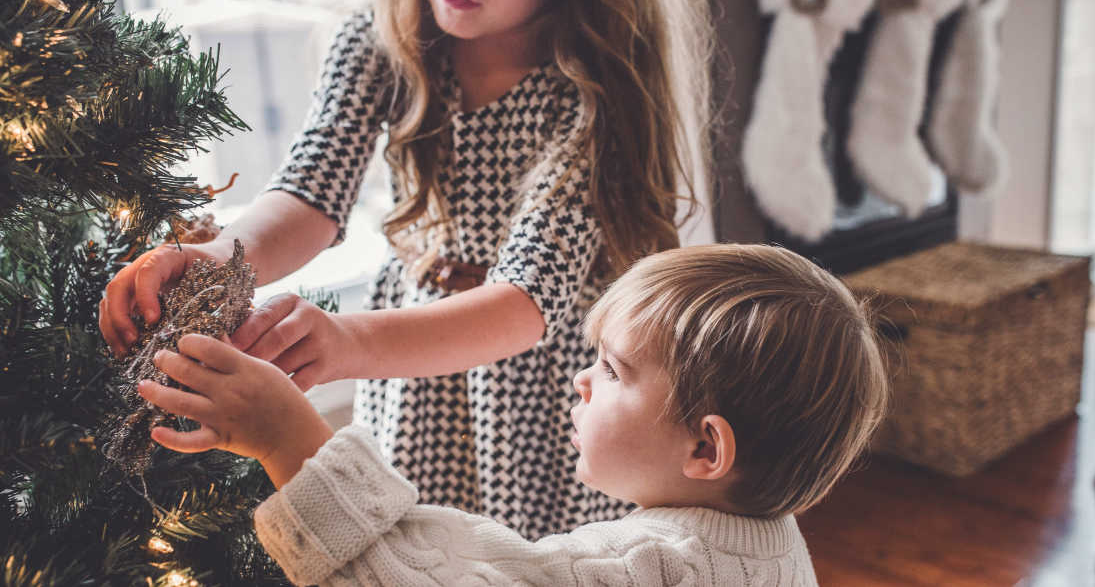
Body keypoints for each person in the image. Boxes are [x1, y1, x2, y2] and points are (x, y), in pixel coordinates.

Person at [99, 0, 712, 538]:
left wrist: (346, 342)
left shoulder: (587, 90)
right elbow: (310, 194)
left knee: (526, 557)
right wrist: (219, 259)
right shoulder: (379, 42)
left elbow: (526, 302)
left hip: (542, 383)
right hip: (415, 371)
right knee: (416, 549)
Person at [138, 243, 890, 586]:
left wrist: (287, 436)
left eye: (611, 369)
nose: (579, 381)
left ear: (706, 448)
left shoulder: (650, 568)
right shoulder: (770, 546)